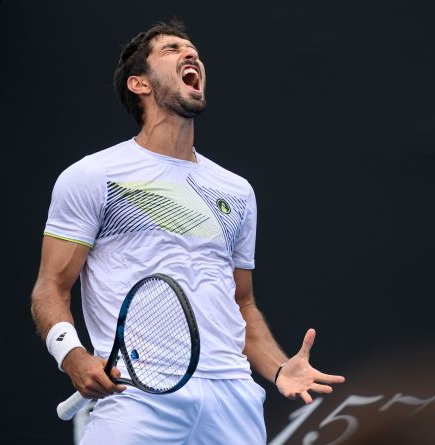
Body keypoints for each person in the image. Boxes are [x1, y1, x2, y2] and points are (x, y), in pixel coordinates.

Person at [31, 19, 345, 444]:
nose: (191, 54)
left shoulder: (236, 190)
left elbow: (242, 302)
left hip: (232, 398)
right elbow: (50, 288)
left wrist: (277, 367)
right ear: (139, 84)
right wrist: (72, 356)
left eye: (193, 49)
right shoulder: (93, 176)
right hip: (139, 398)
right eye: (172, 49)